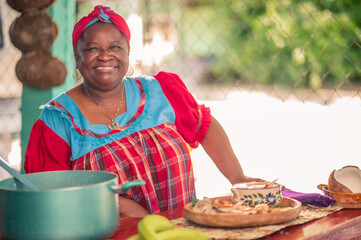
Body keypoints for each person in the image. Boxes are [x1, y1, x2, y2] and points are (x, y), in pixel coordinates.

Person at [24, 5, 263, 217]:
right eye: (92, 48)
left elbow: (205, 126)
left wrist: (237, 177)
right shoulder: (58, 120)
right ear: (76, 57)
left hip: (181, 231)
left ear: (128, 53)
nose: (105, 55)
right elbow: (51, 195)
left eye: (115, 46)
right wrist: (118, 205)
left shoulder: (161, 92)